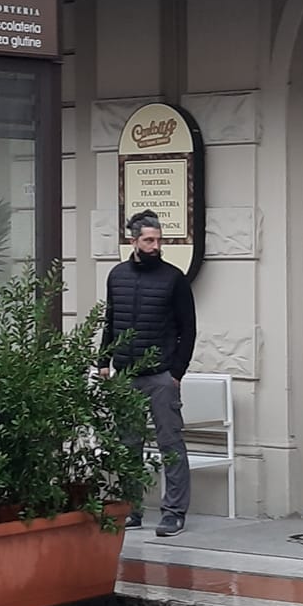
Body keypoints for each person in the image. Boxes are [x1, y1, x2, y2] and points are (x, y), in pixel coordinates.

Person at [101, 211, 197, 536]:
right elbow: (110, 320)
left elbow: (188, 329)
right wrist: (103, 361)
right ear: (134, 241)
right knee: (128, 444)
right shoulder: (117, 276)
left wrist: (176, 372)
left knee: (170, 443)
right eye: (149, 240)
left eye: (158, 239)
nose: (156, 245)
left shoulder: (174, 278)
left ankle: (174, 513)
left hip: (161, 376)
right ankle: (132, 509)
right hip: (125, 374)